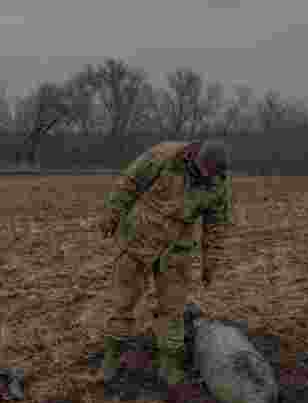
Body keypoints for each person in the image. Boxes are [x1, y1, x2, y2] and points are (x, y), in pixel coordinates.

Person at [95, 139, 233, 385]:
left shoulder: (218, 183)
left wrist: (210, 262)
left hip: (177, 250)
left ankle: (170, 367)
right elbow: (130, 183)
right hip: (138, 239)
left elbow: (216, 225)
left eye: (211, 174)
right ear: (195, 158)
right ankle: (111, 360)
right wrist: (112, 213)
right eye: (203, 171)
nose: (206, 177)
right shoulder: (164, 156)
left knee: (173, 309)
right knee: (123, 302)